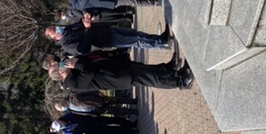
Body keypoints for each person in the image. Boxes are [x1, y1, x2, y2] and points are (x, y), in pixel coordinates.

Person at [49, 55, 194, 92]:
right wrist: (77, 63)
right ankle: (181, 83)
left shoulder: (72, 74)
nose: (62, 63)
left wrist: (76, 61)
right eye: (59, 65)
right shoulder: (73, 84)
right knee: (152, 79)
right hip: (119, 78)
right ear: (60, 72)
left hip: (117, 69)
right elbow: (89, 73)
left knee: (149, 71)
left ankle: (174, 72)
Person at [44, 14, 171, 55]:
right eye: (54, 30)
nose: (57, 28)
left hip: (105, 29)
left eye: (55, 27)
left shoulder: (68, 28)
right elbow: (84, 48)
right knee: (135, 41)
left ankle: (159, 39)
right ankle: (161, 44)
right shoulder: (67, 45)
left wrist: (87, 19)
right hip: (106, 39)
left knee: (135, 33)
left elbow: (81, 24)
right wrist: (88, 29)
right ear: (54, 38)